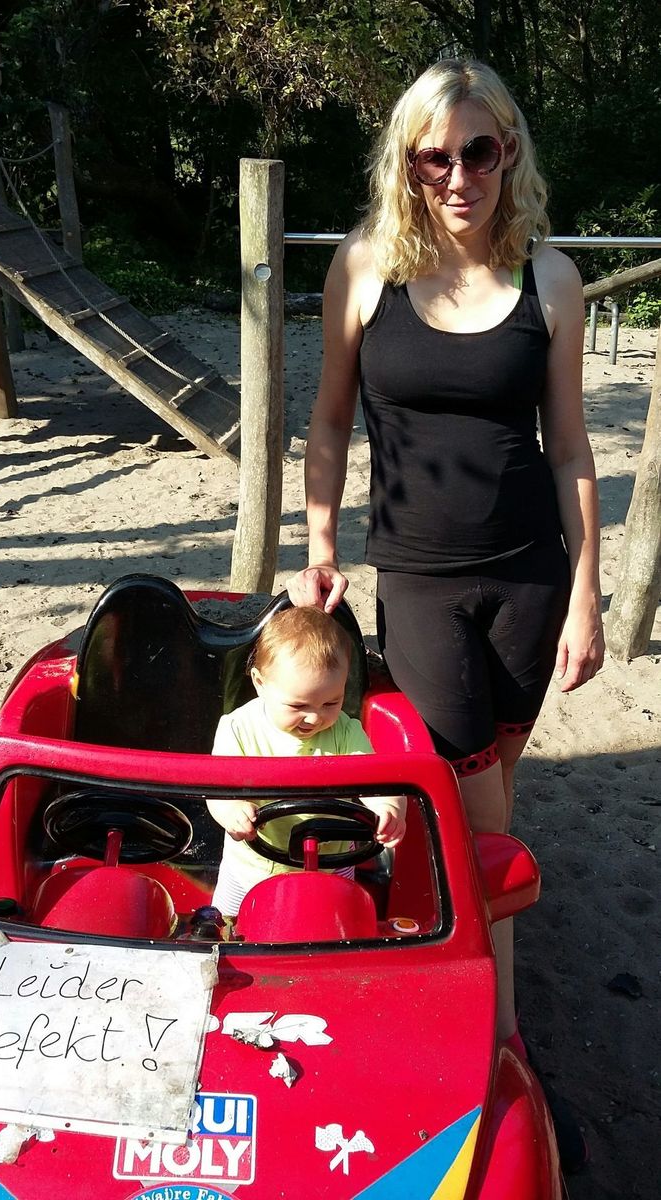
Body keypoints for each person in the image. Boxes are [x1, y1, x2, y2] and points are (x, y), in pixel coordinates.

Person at [287, 58, 604, 1167]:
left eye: (479, 151)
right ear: (407, 160)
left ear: (509, 151)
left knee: (488, 793)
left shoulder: (549, 279)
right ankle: (497, 1043)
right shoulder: (366, 266)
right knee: (470, 814)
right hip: (416, 580)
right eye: (435, 156)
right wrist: (320, 544)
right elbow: (330, 421)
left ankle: (463, 973)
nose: (458, 175)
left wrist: (588, 593)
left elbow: (569, 449)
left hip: (530, 582)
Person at [207, 605, 406, 916]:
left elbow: (376, 780)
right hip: (251, 867)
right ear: (260, 683)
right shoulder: (238, 729)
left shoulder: (345, 732)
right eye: (298, 705)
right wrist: (231, 810)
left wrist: (388, 808)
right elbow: (216, 789)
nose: (314, 718)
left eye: (331, 702)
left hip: (332, 862)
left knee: (337, 920)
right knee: (224, 923)